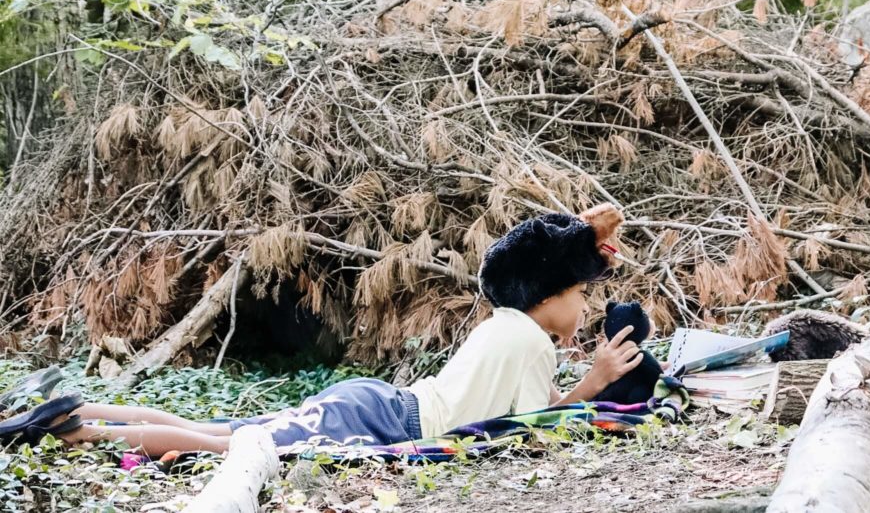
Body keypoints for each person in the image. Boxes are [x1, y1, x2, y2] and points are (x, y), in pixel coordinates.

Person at [0, 203, 643, 456]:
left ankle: (81, 410)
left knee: (225, 430)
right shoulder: (529, 340)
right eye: (581, 292)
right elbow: (531, 426)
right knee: (229, 442)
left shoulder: (502, 323)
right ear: (550, 294)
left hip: (380, 404)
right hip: (385, 421)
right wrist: (594, 382)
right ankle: (73, 428)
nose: (585, 308)